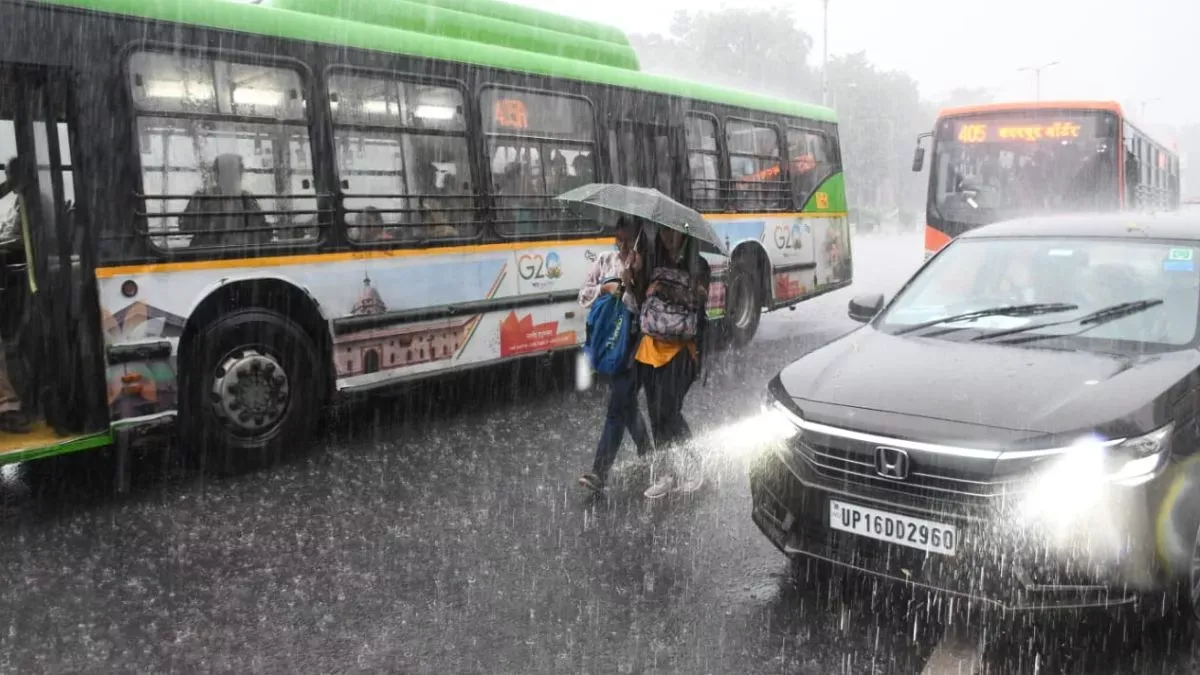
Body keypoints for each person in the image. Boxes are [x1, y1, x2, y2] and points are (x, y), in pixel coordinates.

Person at [577, 217, 653, 493]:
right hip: (608, 343)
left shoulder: (643, 265)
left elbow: (646, 309)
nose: (620, 242)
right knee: (627, 405)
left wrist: (633, 282)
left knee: (616, 409)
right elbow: (583, 295)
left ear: (636, 237)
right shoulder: (605, 260)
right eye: (617, 237)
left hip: (632, 346)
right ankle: (648, 451)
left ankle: (599, 473)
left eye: (626, 237)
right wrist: (605, 289)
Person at [636, 226, 711, 499]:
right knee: (655, 414)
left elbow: (696, 301)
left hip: (682, 350)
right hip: (650, 347)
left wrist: (665, 288)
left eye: (673, 234)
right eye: (664, 233)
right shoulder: (654, 260)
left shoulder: (699, 265)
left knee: (670, 410)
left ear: (685, 235)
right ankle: (668, 474)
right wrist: (635, 273)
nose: (667, 238)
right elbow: (640, 295)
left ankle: (695, 465)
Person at [0, 157, 39, 434]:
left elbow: (24, 240)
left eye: (10, 174)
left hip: (25, 279)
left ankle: (9, 405)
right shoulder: (18, 200)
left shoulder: (32, 202)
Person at [180, 154, 269, 248]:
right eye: (227, 173)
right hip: (207, 255)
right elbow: (184, 226)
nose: (232, 178)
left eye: (235, 174)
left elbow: (264, 232)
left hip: (240, 255)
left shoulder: (247, 199)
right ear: (217, 176)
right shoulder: (202, 197)